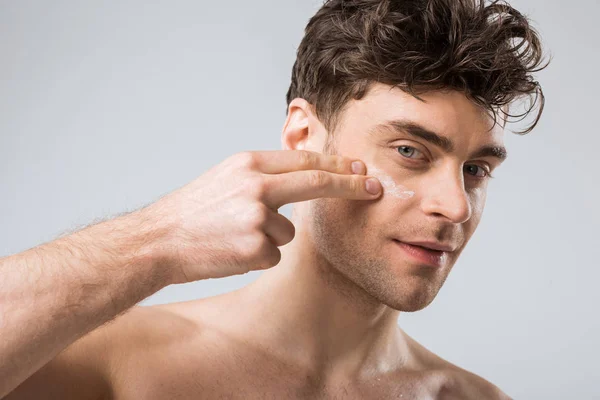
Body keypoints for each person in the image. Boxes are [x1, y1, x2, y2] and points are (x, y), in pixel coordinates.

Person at [2, 0, 548, 398]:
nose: (455, 207)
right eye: (410, 150)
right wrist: (159, 239)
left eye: (475, 169)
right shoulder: (116, 364)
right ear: (303, 136)